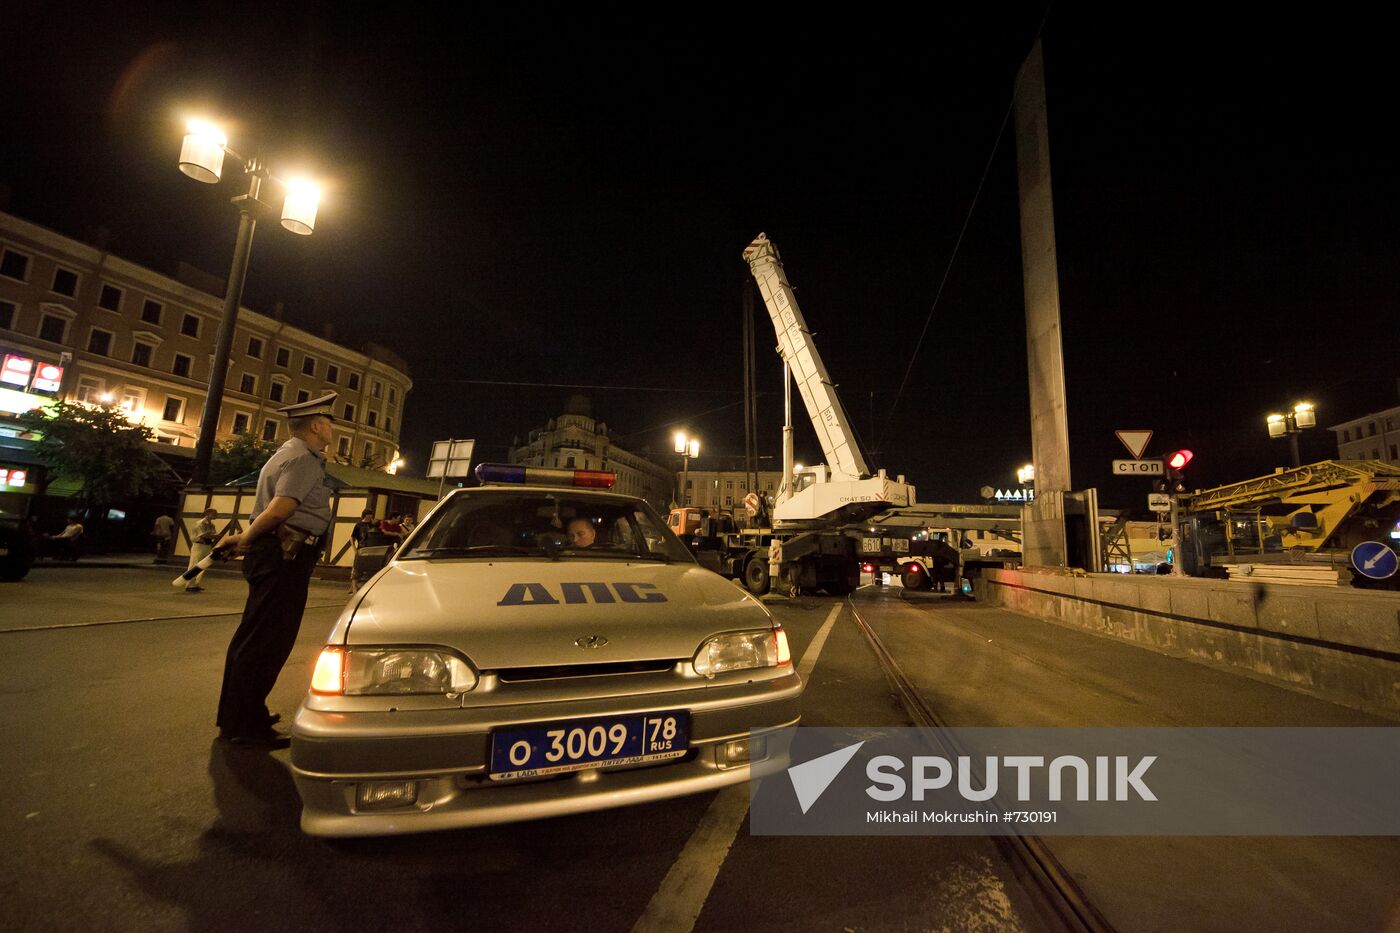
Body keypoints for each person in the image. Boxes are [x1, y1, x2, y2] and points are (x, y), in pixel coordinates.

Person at [213, 393, 337, 749]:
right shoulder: (303, 459)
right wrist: (246, 538)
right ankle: (245, 725)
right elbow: (281, 509)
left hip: (277, 554)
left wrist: (245, 536)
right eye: (328, 422)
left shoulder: (287, 455)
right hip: (284, 556)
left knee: (254, 638)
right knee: (266, 642)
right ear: (316, 425)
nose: (331, 429)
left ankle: (240, 715)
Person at [184, 508, 220, 593]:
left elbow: (213, 534)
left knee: (203, 565)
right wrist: (212, 536)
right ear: (207, 513)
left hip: (207, 545)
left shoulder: (211, 525)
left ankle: (196, 584)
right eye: (214, 513)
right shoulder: (200, 523)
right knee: (194, 564)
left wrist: (212, 536)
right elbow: (203, 535)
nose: (216, 515)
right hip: (199, 545)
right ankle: (189, 584)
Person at [349, 510, 377, 593]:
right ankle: (354, 587)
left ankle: (354, 586)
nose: (369, 516)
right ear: (364, 515)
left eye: (371, 515)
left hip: (371, 548)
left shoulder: (373, 525)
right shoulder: (359, 525)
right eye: (368, 515)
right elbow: (352, 537)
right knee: (357, 568)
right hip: (361, 548)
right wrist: (354, 548)